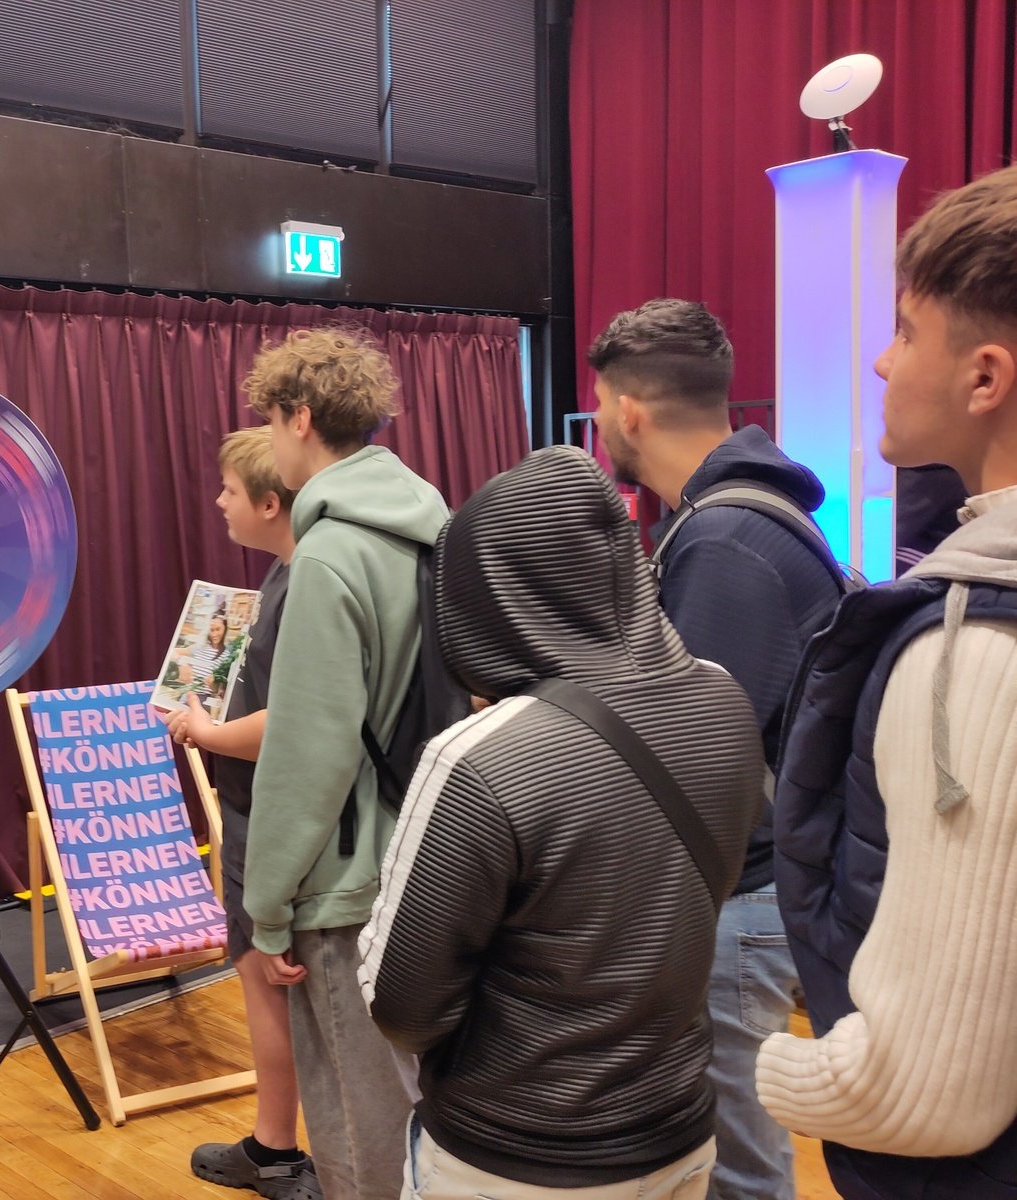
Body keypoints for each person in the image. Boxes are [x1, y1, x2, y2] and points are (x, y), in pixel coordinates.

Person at [359, 445, 765, 1200]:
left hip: (516, 1156)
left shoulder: (481, 757)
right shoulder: (721, 697)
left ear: (481, 596)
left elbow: (402, 1009)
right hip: (679, 1126)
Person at [758, 164, 1017, 1198]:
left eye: (905, 331)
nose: (879, 359)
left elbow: (924, 1091)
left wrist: (774, 1067)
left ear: (985, 378)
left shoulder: (974, 657)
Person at [590, 298, 845, 1200]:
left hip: (741, 893)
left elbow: (686, 753)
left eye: (600, 406)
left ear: (628, 411)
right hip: (752, 883)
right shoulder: (736, 522)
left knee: (739, 1170)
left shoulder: (725, 541)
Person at [239, 326, 450, 1200]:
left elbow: (308, 756)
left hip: (349, 881)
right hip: (433, 852)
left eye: (271, 420)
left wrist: (266, 907)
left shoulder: (329, 554)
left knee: (357, 1131)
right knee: (423, 1109)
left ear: (299, 417)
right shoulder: (431, 526)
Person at [164, 428, 319, 1200]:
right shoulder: (293, 574)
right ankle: (277, 1144)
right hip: (273, 814)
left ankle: (280, 1152)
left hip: (270, 818)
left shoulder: (303, 584)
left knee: (265, 981)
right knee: (266, 982)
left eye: (229, 490)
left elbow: (293, 722)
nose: (218, 502)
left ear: (268, 502)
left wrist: (205, 731)